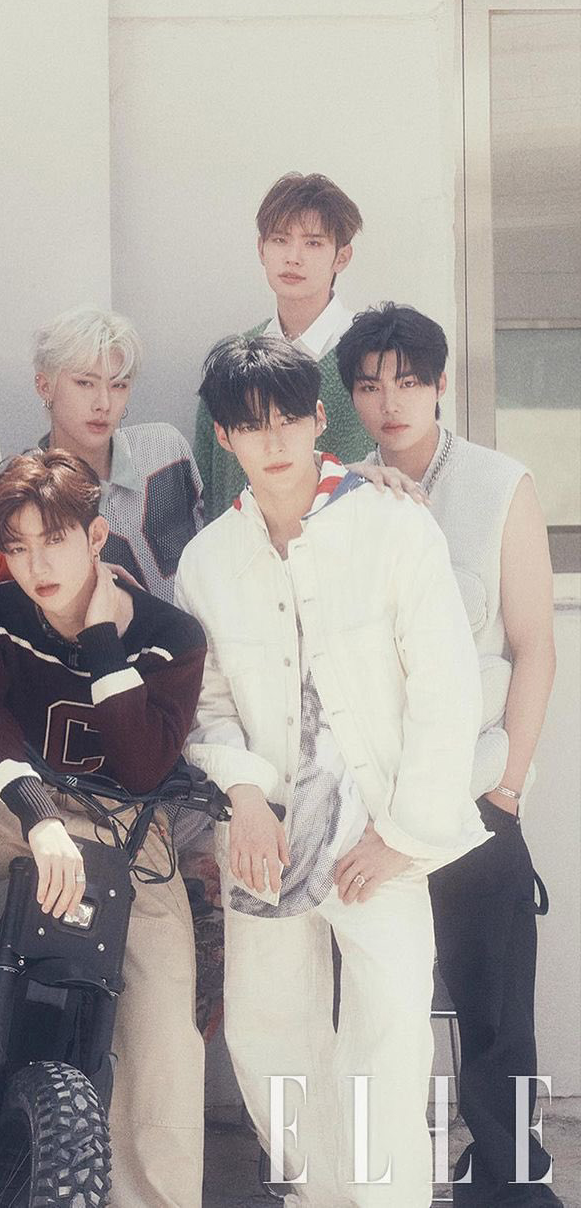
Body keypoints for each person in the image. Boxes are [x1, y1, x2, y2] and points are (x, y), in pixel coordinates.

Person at [176, 334, 488, 1207]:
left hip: (380, 832)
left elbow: (445, 689)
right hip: (265, 834)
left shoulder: (392, 525)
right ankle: (318, 1196)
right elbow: (206, 704)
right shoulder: (208, 560)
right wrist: (243, 795)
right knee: (268, 1035)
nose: (273, 440)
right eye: (250, 426)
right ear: (225, 438)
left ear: (319, 417)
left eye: (287, 418)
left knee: (388, 1042)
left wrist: (404, 834)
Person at [0, 451, 210, 1207]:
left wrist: (102, 638)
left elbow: (144, 766)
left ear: (96, 537)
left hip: (128, 829)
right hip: (17, 809)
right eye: (17, 547)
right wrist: (40, 818)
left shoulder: (171, 634)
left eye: (53, 541)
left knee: (163, 1038)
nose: (35, 565)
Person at [338, 302, 562, 1207]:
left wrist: (507, 787)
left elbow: (534, 646)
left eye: (407, 381)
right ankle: (363, 1172)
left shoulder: (499, 484)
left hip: (473, 789)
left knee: (496, 1003)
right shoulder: (339, 490)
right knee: (367, 1007)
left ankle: (509, 1174)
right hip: (373, 799)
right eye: (369, 386)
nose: (389, 402)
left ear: (438, 384)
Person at [193, 172, 373, 520]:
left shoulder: (373, 357)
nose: (293, 257)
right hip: (245, 548)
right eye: (280, 240)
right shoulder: (232, 365)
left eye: (313, 243)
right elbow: (211, 491)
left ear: (342, 256)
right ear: (261, 249)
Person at [34, 303, 203, 602]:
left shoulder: (166, 448)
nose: (103, 403)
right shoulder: (31, 490)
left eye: (119, 385)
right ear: (45, 386)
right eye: (85, 383)